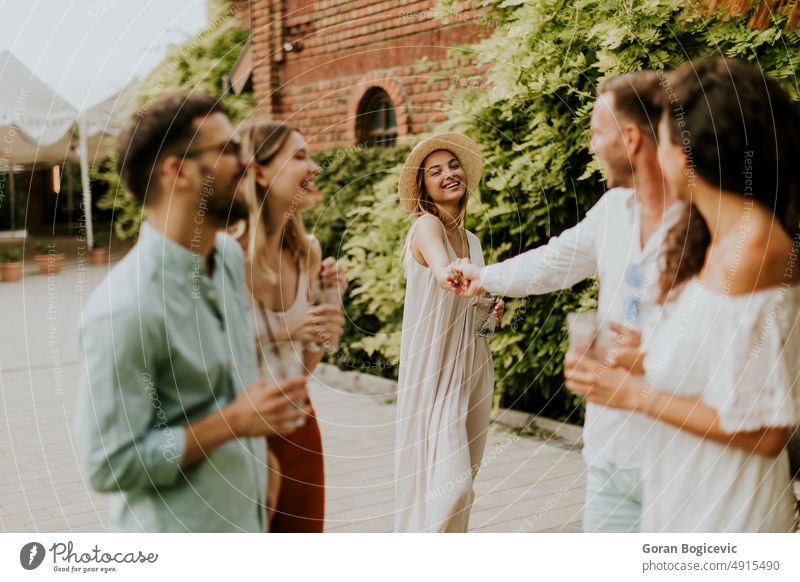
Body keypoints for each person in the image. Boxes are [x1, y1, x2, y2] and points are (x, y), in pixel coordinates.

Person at [565, 57, 800, 532]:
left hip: (730, 522)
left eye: (665, 134)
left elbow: (767, 429)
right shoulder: (720, 243)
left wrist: (636, 395)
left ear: (690, 153)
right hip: (688, 508)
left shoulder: (754, 250)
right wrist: (642, 360)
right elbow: (725, 374)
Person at [450, 71, 681, 532]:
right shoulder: (616, 209)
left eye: (598, 132)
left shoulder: (705, 224)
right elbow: (554, 260)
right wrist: (484, 276)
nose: (593, 146)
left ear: (630, 138)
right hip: (609, 450)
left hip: (678, 458)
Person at [75, 93, 309, 532]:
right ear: (178, 171)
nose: (245, 163)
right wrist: (232, 424)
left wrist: (261, 466)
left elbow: (234, 387)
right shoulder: (123, 310)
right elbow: (109, 463)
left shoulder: (226, 258)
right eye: (227, 151)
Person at [237, 120, 346, 532]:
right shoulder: (221, 259)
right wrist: (288, 328)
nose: (314, 166)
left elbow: (305, 367)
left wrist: (327, 308)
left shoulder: (308, 254)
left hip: (299, 427)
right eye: (299, 156)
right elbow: (202, 362)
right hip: (235, 434)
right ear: (259, 172)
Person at [394, 132, 502, 532]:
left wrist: (491, 311)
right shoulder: (426, 226)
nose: (448, 174)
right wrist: (447, 274)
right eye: (435, 171)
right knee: (451, 488)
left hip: (473, 371)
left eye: (453, 166)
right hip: (434, 373)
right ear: (424, 186)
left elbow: (480, 321)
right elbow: (441, 270)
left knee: (463, 484)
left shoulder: (472, 241)